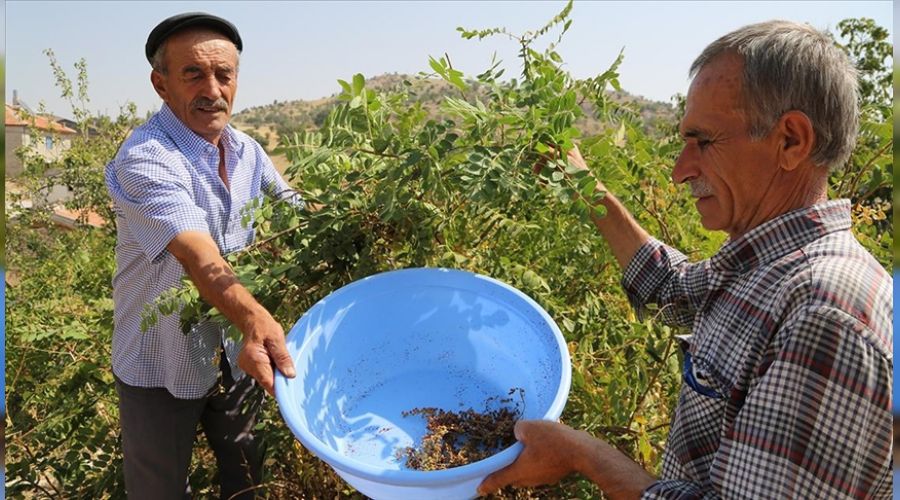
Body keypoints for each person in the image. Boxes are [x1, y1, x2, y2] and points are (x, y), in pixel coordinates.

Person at [479, 20, 893, 499]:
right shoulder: (767, 267)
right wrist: (584, 188)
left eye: (703, 141)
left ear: (791, 141)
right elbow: (675, 289)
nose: (680, 171)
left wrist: (584, 456)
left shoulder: (825, 315)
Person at [104, 13, 298, 499]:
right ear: (160, 84)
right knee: (158, 490)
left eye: (224, 74)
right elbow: (199, 257)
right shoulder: (145, 158)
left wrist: (359, 215)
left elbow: (297, 211)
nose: (212, 88)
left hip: (236, 356)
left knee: (248, 481)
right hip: (159, 361)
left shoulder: (247, 150)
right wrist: (257, 319)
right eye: (193, 73)